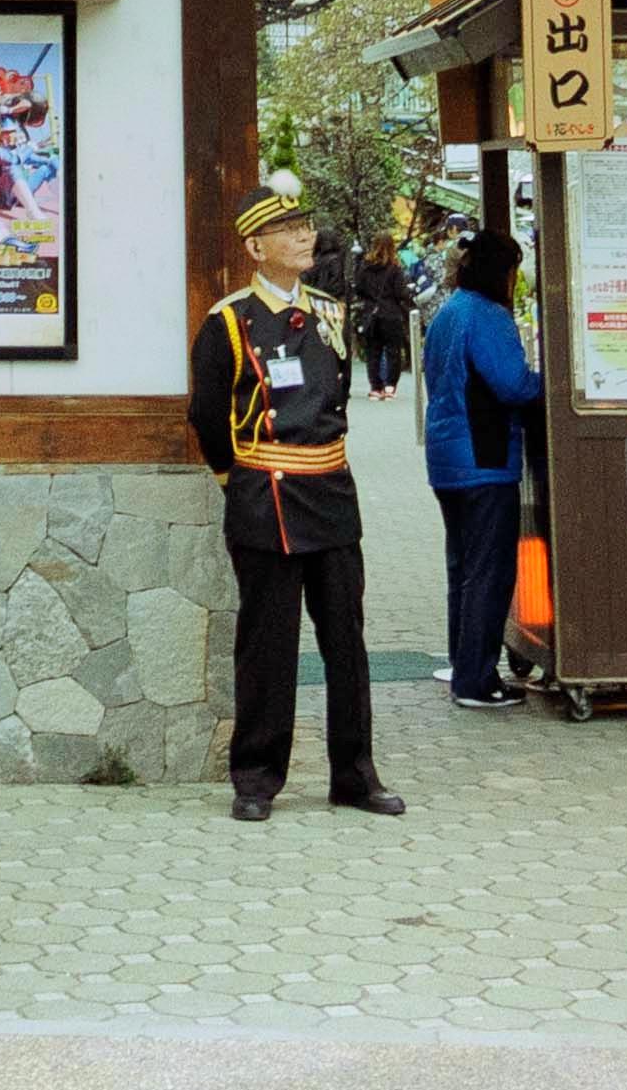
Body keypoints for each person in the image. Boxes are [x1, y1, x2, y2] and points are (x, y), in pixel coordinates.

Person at [188, 188, 402, 822]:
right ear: (256, 247)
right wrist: (238, 479)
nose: (305, 236)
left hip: (331, 491)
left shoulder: (333, 313)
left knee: (346, 639)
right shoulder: (227, 320)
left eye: (306, 225)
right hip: (266, 495)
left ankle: (355, 776)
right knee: (268, 643)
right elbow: (207, 416)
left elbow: (335, 395)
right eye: (287, 229)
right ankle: (255, 777)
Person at [417, 226, 543, 707]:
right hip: (484, 459)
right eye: (514, 271)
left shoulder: (450, 311)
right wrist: (551, 384)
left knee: (464, 569)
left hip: (447, 458)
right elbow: (512, 384)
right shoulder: (487, 315)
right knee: (489, 572)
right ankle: (476, 680)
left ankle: (463, 663)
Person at [349, 222, 416, 396]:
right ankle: (390, 386)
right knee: (393, 351)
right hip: (391, 313)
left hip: (371, 314)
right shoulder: (394, 268)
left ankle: (375, 387)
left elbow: (359, 289)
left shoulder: (365, 266)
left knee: (373, 352)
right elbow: (400, 292)